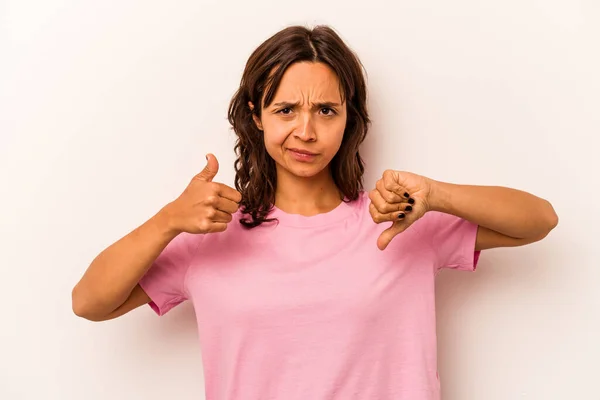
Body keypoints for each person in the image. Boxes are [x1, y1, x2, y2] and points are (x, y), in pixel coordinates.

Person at [72, 25, 558, 400]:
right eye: (286, 110)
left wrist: (434, 193)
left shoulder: (398, 221)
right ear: (255, 114)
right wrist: (166, 221)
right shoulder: (210, 236)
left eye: (326, 111)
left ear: (350, 120)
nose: (306, 131)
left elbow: (539, 220)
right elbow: (90, 302)